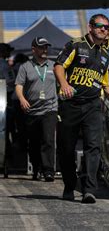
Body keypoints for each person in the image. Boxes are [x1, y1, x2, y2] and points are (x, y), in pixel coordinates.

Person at [54, 14, 109, 203]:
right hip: (70, 105)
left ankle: (89, 189)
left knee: (94, 147)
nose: (104, 30)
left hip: (93, 106)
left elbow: (107, 86)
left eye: (107, 27)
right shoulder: (75, 45)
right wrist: (64, 84)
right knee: (66, 149)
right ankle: (69, 185)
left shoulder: (106, 54)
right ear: (90, 27)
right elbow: (58, 66)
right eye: (100, 26)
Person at [15, 37, 58, 182]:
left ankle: (48, 171)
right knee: (34, 143)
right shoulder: (25, 67)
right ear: (34, 49)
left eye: (46, 47)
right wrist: (22, 99)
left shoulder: (53, 65)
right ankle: (37, 167)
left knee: (48, 139)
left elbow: (62, 83)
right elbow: (19, 85)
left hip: (50, 108)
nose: (45, 50)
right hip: (31, 110)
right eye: (41, 47)